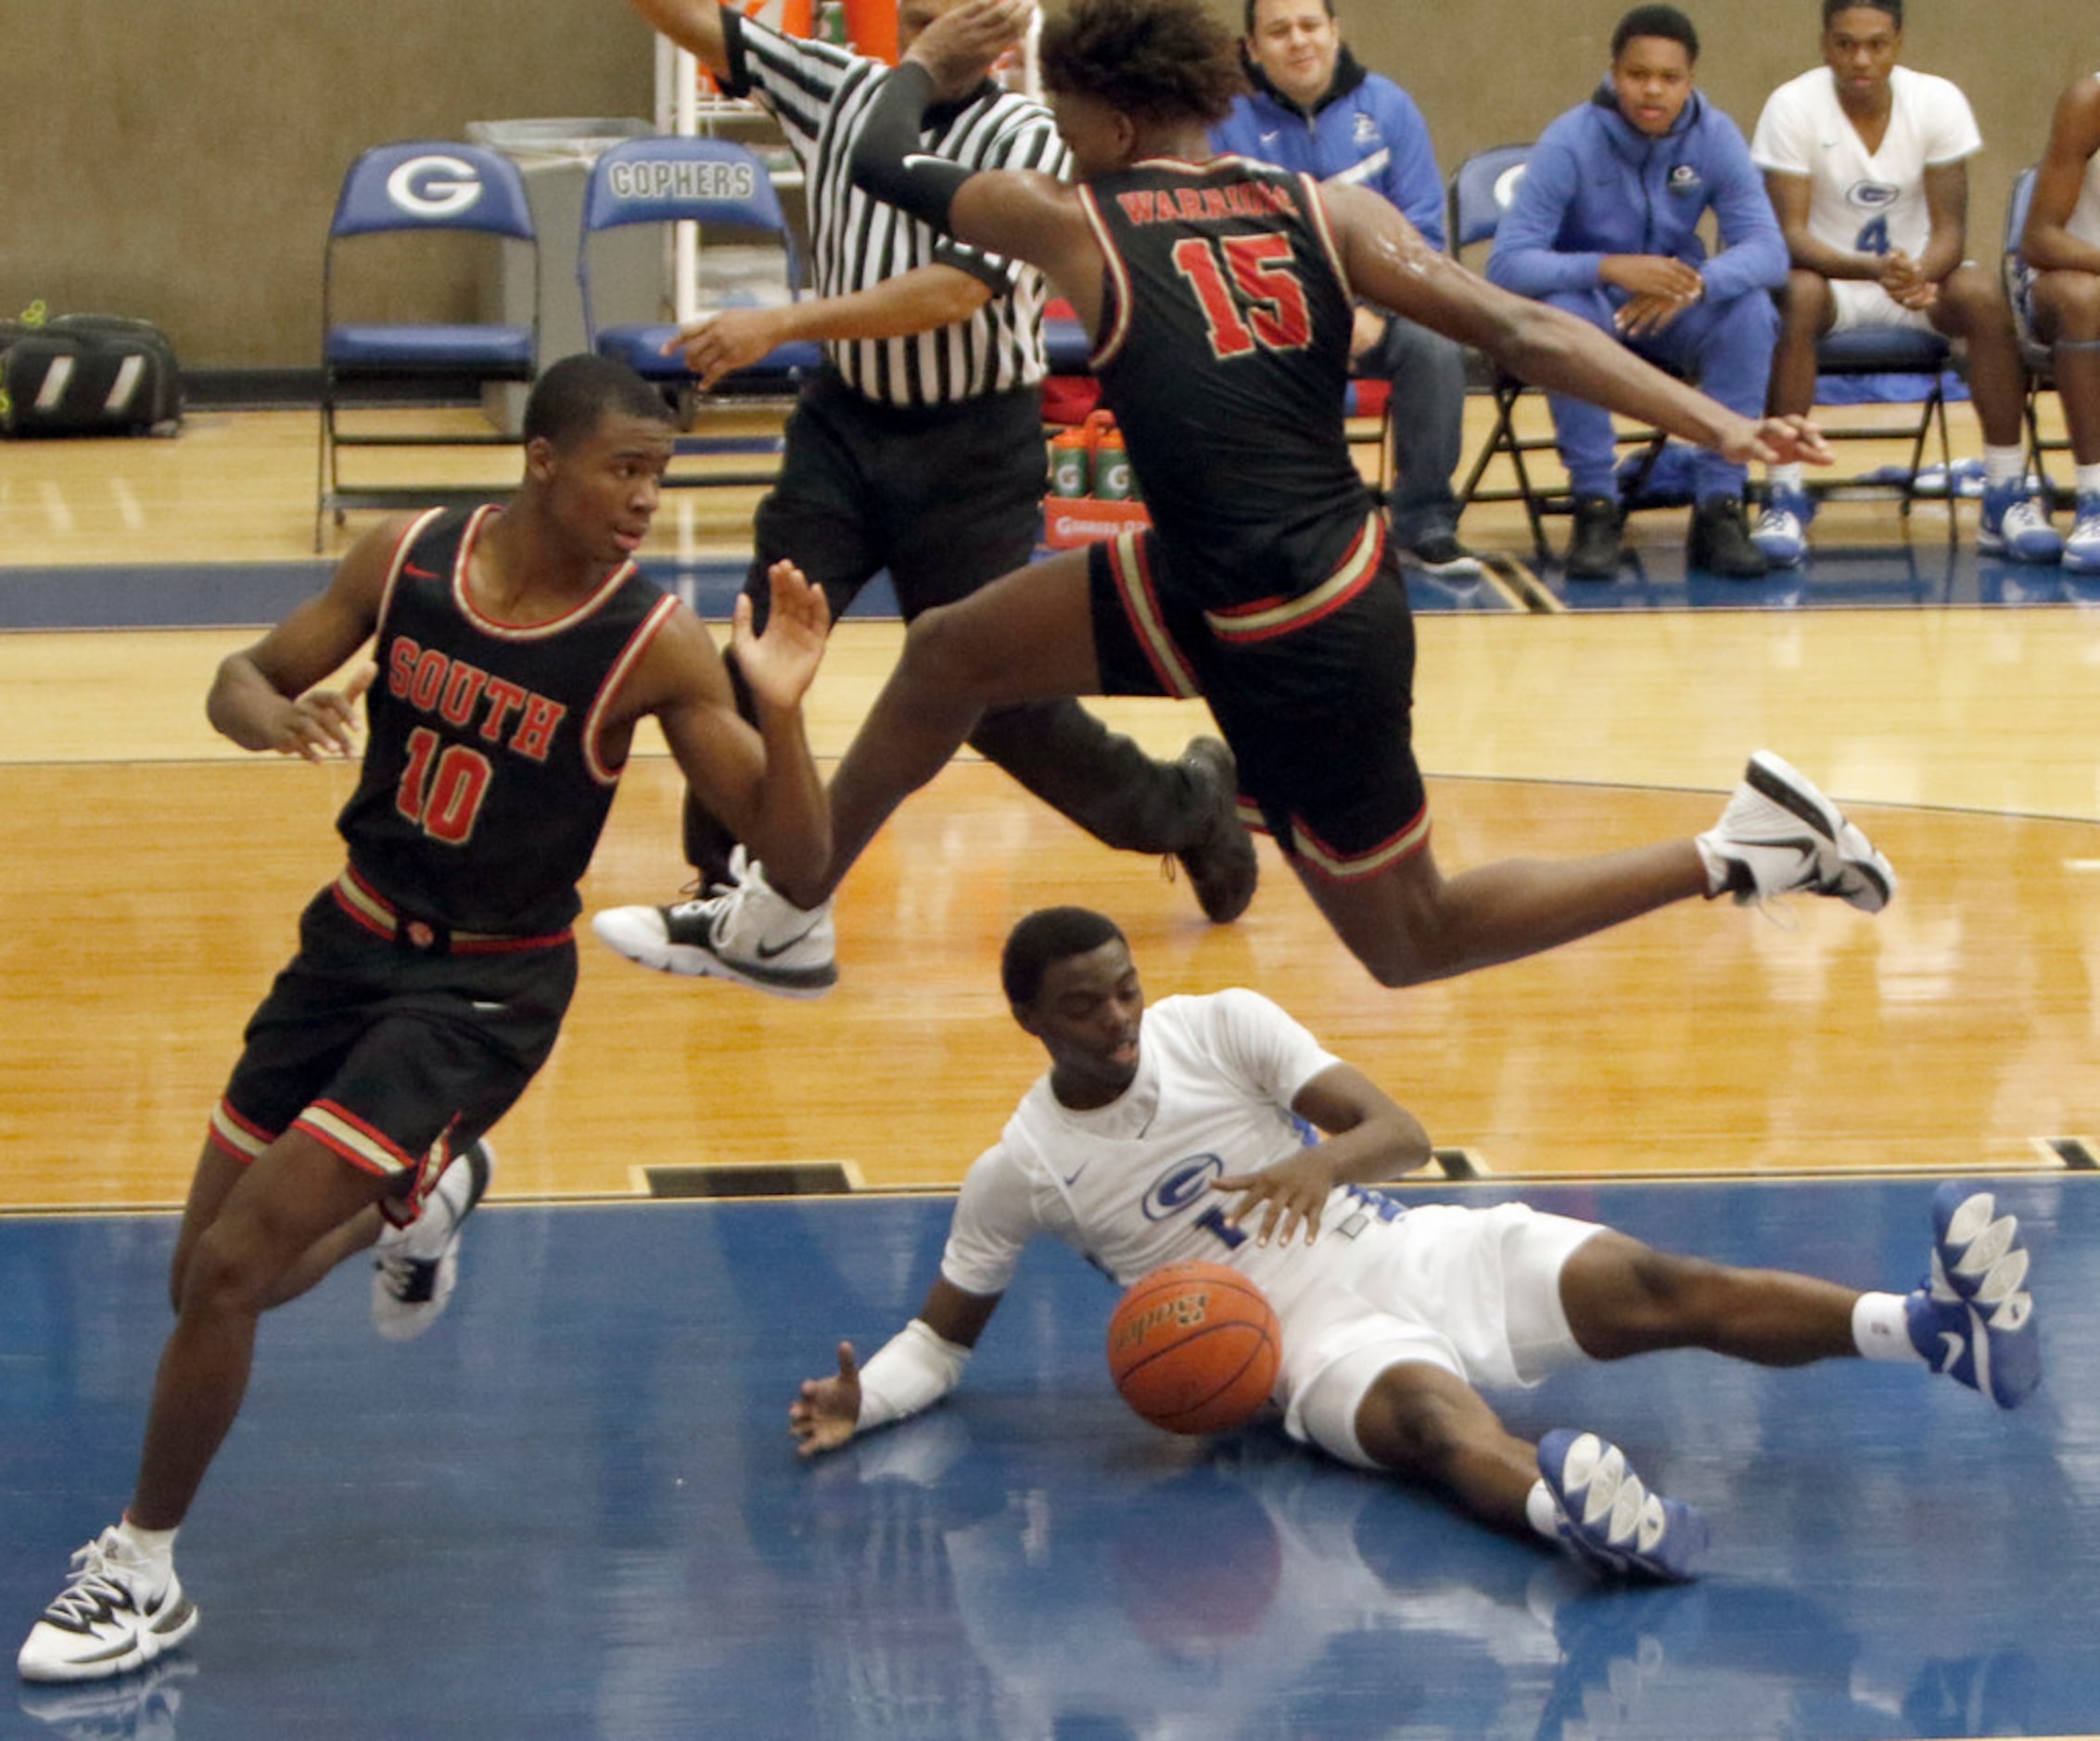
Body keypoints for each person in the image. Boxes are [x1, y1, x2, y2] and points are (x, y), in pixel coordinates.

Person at [662, 0, 1891, 1001]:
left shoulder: (1073, 220)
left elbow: (877, 156)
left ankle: (1740, 850)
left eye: (1063, 107)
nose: (1054, 125)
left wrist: (921, 64)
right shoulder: (1329, 210)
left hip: (1302, 625)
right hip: (1222, 568)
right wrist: (1718, 423)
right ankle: (786, 912)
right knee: (948, 650)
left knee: (1412, 939)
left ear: (1111, 113)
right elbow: (1524, 326)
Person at [15, 354, 834, 1684]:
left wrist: (784, 712)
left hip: (484, 991)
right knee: (203, 1281)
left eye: (660, 475)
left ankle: (141, 1567)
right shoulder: (404, 558)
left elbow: (795, 860)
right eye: (624, 469)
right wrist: (267, 712)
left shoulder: (652, 640)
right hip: (348, 941)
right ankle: (427, 1197)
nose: (645, 499)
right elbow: (240, 671)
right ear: (543, 459)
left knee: (230, 1272)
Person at [787, 907, 2042, 1582]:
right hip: (1294, 1345)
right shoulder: (1021, 1167)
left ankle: (1934, 1330)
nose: (1118, 1015)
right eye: (1083, 1004)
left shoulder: (1218, 1022)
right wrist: (869, 1398)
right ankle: (1579, 1518)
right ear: (1027, 1019)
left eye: (1122, 985)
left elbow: (1400, 1129)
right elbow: (941, 1344)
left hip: (1401, 1244)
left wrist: (1315, 1162)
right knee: (1446, 1431)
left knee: (1663, 1283)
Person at [591, 0, 1257, 998]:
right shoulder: (835, 88)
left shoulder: (1030, 134)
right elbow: (704, 27)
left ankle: (1184, 809)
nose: (928, 15)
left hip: (972, 449)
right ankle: (730, 888)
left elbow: (955, 289)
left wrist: (784, 321)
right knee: (756, 642)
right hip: (844, 429)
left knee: (1003, 707)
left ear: (1002, 22)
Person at [1749, 0, 2062, 567]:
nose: (1860, 59)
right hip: (1833, 283)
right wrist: (1873, 271)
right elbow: (1788, 237)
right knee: (1795, 292)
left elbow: (1951, 232)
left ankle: (2004, 492)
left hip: (1918, 285)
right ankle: (1784, 493)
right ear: (1825, 44)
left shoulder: (1937, 101)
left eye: (1876, 44)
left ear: (1898, 42)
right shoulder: (1791, 106)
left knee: (1981, 295)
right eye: (1845, 44)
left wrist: (1922, 272)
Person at [1484, 5, 1786, 580]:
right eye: (1637, 75)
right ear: (1614, 73)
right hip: (1595, 304)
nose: (1652, 91)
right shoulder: (1571, 139)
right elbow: (1507, 265)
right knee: (1566, 316)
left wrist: (1696, 286)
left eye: (1669, 79)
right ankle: (1596, 505)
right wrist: (1612, 268)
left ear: (1690, 81)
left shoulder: (1715, 136)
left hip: (1673, 306)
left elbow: (1768, 251)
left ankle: (1720, 505)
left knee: (1749, 310)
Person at [1208, 0, 1482, 581]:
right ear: (1252, 48)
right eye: (1279, 31)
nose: (1298, 42)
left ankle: (1424, 519)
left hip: (1384, 311)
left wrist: (1372, 309)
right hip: (1270, 315)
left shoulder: (1389, 109)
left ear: (1335, 31)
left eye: (1311, 26)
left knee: (1435, 347)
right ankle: (1283, 521)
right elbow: (1222, 240)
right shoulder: (1223, 121)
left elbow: (1423, 237)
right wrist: (1325, 312)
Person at [2019, 70, 2100, 574]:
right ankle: (2095, 497)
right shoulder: (2090, 101)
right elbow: (2040, 239)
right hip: (2079, 280)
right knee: (2082, 299)